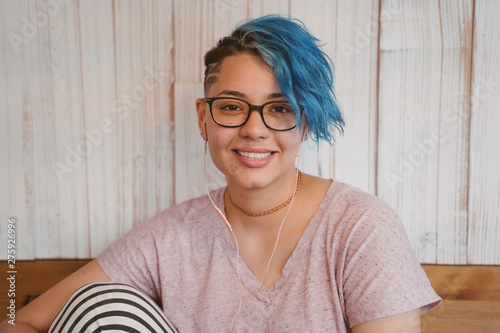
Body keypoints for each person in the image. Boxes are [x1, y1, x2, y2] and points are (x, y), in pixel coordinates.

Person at [0, 15, 441, 333]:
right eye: (232, 106)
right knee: (102, 305)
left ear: (304, 122)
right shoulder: (172, 235)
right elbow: (28, 321)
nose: (254, 128)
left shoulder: (361, 228)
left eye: (280, 108)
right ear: (204, 119)